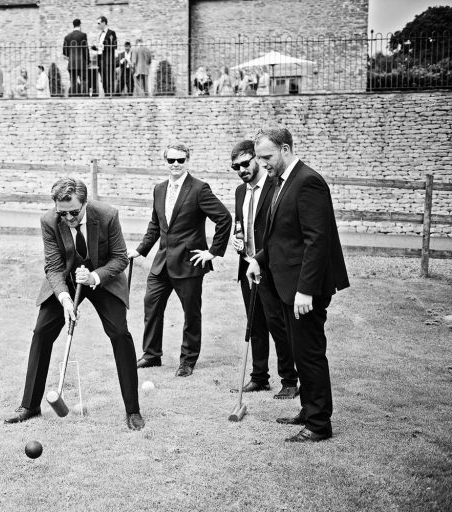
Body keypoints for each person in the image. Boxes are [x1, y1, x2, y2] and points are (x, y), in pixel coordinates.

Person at [4, 178, 144, 430]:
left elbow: (120, 258)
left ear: (85, 203)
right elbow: (54, 266)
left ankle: (133, 410)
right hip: (67, 279)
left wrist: (94, 277)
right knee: (41, 332)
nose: (68, 217)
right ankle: (30, 405)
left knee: (120, 333)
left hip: (104, 278)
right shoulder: (49, 220)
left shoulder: (107, 215)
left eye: (73, 212)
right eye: (62, 212)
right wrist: (65, 299)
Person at [246, 126, 349, 442]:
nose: (262, 163)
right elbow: (281, 236)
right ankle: (308, 409)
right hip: (287, 285)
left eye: (267, 156)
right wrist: (257, 260)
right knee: (300, 351)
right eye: (260, 157)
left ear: (286, 149)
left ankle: (319, 424)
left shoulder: (308, 182)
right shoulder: (282, 181)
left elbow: (316, 241)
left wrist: (305, 289)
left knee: (310, 352)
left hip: (306, 289)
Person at [129, 143, 232, 377]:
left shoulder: (199, 189)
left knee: (191, 314)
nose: (175, 164)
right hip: (162, 262)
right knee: (151, 305)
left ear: (188, 160)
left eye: (180, 160)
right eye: (171, 160)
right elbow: (156, 225)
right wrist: (140, 250)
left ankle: (187, 361)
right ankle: (151, 355)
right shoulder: (159, 189)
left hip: (189, 263)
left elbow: (224, 218)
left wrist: (213, 252)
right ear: (165, 161)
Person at [229, 139, 298, 399]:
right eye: (235, 166)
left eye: (246, 163)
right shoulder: (239, 191)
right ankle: (259, 377)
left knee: (277, 324)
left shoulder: (275, 186)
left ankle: (290, 380)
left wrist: (260, 257)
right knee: (254, 324)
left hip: (270, 267)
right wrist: (238, 241)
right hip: (247, 267)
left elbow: (278, 233)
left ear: (257, 159)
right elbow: (241, 224)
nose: (241, 169)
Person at [91, 16, 117, 96]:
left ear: (104, 23)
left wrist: (103, 46)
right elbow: (100, 48)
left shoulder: (111, 33)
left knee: (109, 78)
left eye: (99, 23)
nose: (97, 25)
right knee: (103, 79)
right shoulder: (100, 34)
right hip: (100, 59)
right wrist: (95, 48)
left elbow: (114, 46)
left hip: (108, 59)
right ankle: (106, 94)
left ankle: (110, 95)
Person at [63, 18, 89, 97]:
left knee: (73, 81)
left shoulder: (67, 37)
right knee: (84, 80)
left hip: (72, 63)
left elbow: (65, 52)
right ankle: (84, 96)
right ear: (80, 25)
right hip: (81, 62)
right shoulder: (83, 35)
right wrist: (88, 61)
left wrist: (70, 57)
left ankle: (74, 98)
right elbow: (85, 49)